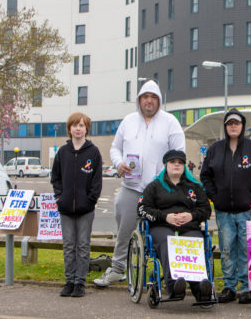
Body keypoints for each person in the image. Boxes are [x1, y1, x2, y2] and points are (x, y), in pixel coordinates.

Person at [94, 80, 185, 287]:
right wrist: (119, 164)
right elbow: (115, 148)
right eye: (145, 97)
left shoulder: (170, 122)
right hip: (131, 186)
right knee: (124, 224)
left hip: (161, 190)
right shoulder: (128, 121)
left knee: (163, 231)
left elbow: (179, 153)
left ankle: (169, 276)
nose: (149, 101)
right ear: (139, 100)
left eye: (153, 97)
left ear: (158, 100)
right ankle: (118, 269)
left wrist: (166, 175)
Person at [200, 108, 251, 304]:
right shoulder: (215, 149)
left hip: (250, 210)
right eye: (230, 123)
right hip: (224, 212)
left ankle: (247, 288)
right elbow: (205, 175)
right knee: (227, 249)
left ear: (242, 126)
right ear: (225, 126)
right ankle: (229, 287)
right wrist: (214, 196)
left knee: (248, 250)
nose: (233, 126)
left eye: (236, 123)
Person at [137, 150, 212, 302]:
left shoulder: (195, 187)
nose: (176, 165)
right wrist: (166, 217)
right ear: (166, 165)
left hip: (189, 226)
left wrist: (191, 215)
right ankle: (174, 285)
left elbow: (206, 209)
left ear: (184, 166)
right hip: (162, 225)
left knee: (193, 243)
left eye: (180, 163)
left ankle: (201, 290)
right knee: (168, 242)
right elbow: (142, 209)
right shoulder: (154, 186)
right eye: (173, 162)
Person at [51, 112, 102, 298]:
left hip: (85, 210)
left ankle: (80, 282)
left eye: (82, 125)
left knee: (82, 245)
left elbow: (97, 181)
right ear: (69, 129)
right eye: (75, 125)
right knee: (68, 245)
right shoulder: (63, 152)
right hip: (65, 209)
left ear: (86, 129)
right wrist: (60, 197)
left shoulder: (93, 152)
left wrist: (90, 200)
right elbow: (55, 176)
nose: (78, 129)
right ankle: (69, 280)